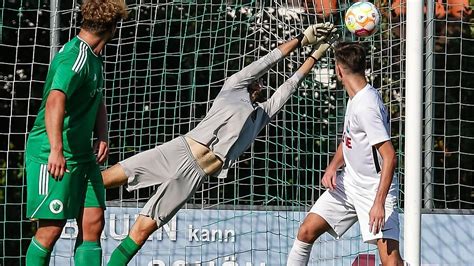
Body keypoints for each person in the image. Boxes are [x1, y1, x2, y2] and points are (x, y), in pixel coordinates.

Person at [102, 23, 338, 265]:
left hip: (194, 176)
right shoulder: (233, 87)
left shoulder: (260, 116)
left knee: (141, 232)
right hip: (176, 152)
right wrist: (301, 38)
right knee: (104, 180)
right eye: (259, 82)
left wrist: (315, 56)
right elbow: (270, 59)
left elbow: (289, 86)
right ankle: (66, 199)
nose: (262, 85)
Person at [24, 1, 128, 265]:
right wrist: (57, 150)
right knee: (51, 230)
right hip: (52, 155)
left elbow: (97, 97)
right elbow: (55, 100)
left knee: (94, 223)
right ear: (112, 27)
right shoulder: (75, 57)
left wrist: (102, 134)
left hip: (83, 157)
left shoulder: (94, 56)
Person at [286, 42, 403, 266]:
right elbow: (350, 139)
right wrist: (332, 167)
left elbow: (390, 156)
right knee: (306, 232)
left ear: (339, 70)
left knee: (391, 262)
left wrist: (378, 203)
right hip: (349, 184)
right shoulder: (356, 97)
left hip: (375, 190)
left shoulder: (366, 106)